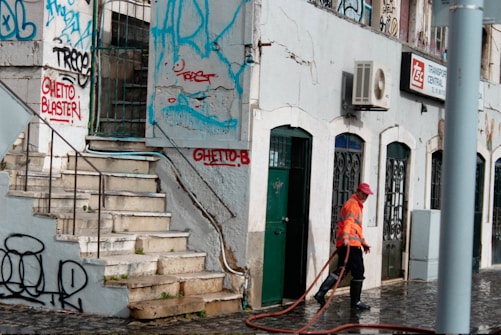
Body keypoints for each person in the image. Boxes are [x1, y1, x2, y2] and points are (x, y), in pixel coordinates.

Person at [314, 182, 373, 310]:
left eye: (367, 195)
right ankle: (355, 301)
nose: (365, 197)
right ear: (358, 191)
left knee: (342, 270)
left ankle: (321, 293)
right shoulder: (353, 205)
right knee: (358, 272)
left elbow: (357, 229)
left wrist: (363, 243)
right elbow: (349, 223)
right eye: (363, 193)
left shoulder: (356, 205)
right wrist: (346, 238)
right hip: (350, 245)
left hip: (348, 244)